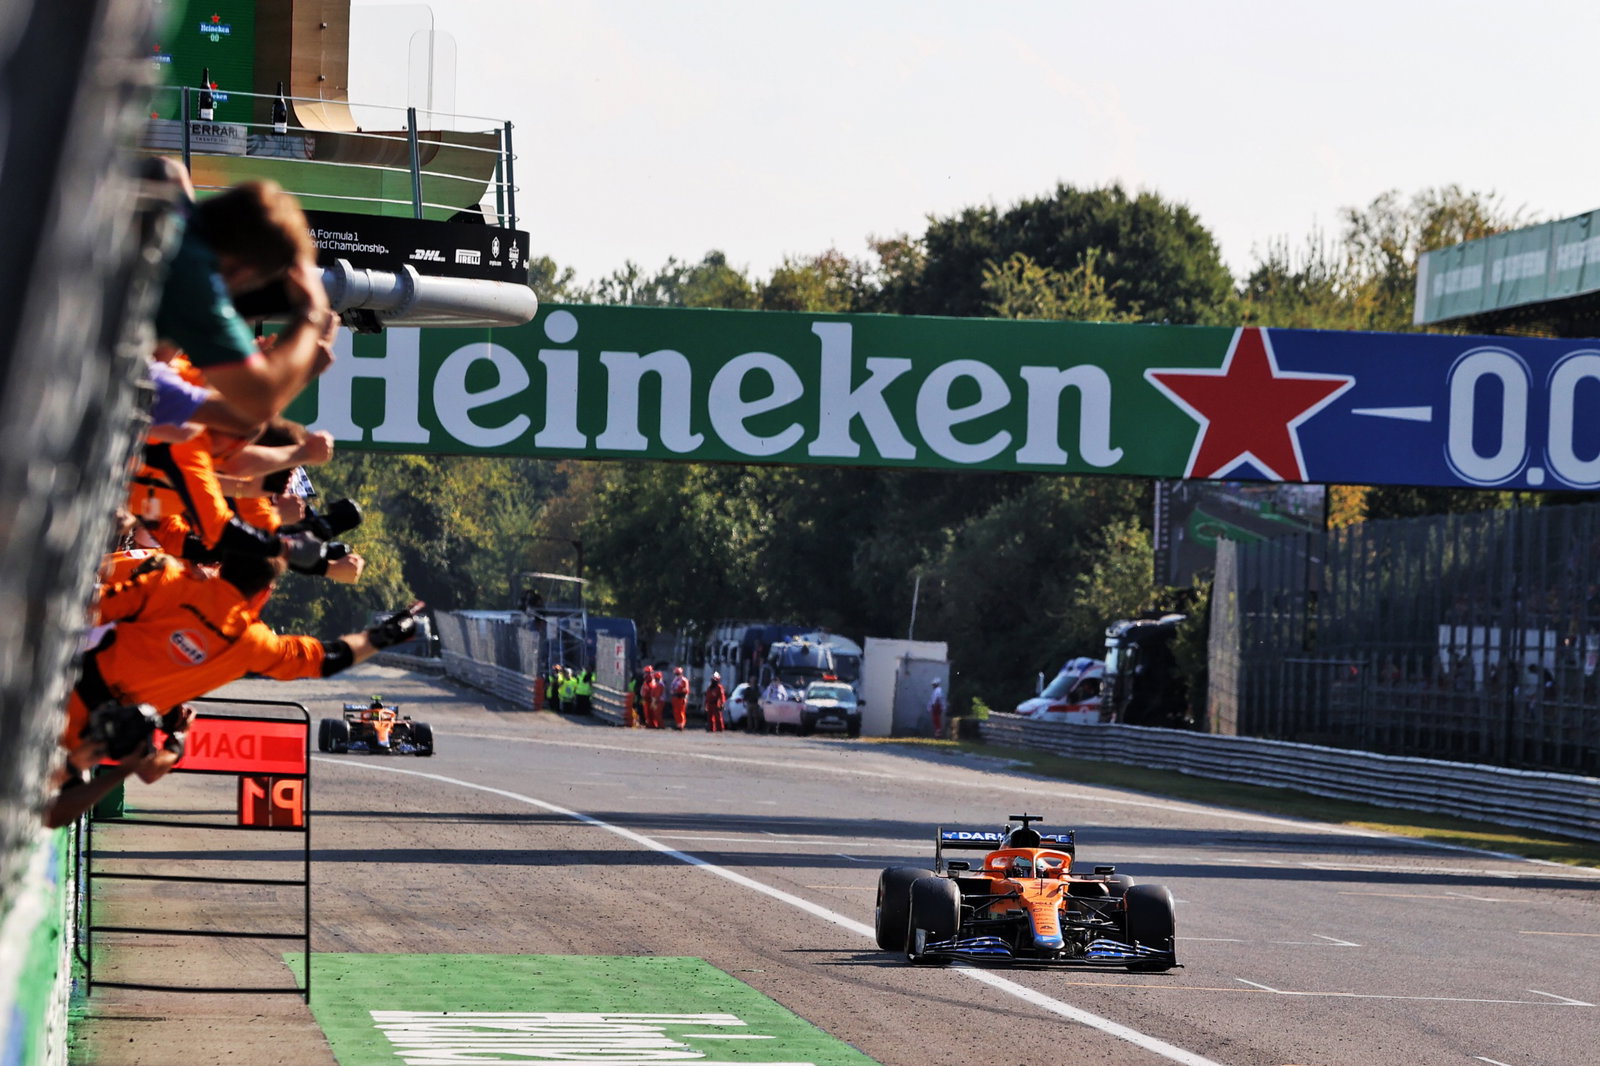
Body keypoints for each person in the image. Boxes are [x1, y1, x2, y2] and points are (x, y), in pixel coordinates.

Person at [60, 552, 420, 762]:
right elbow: (326, 658)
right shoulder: (254, 643)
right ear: (265, 594)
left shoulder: (171, 580)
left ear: (225, 565)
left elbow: (87, 609)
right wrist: (383, 635)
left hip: (60, 685)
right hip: (94, 735)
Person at [669, 666, 690, 731]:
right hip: (675, 697)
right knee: (676, 711)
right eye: (676, 674)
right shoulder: (675, 680)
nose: (677, 675)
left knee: (681, 712)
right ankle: (678, 724)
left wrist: (681, 693)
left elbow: (686, 690)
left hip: (681, 698)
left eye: (678, 674)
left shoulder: (684, 680)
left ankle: (681, 725)